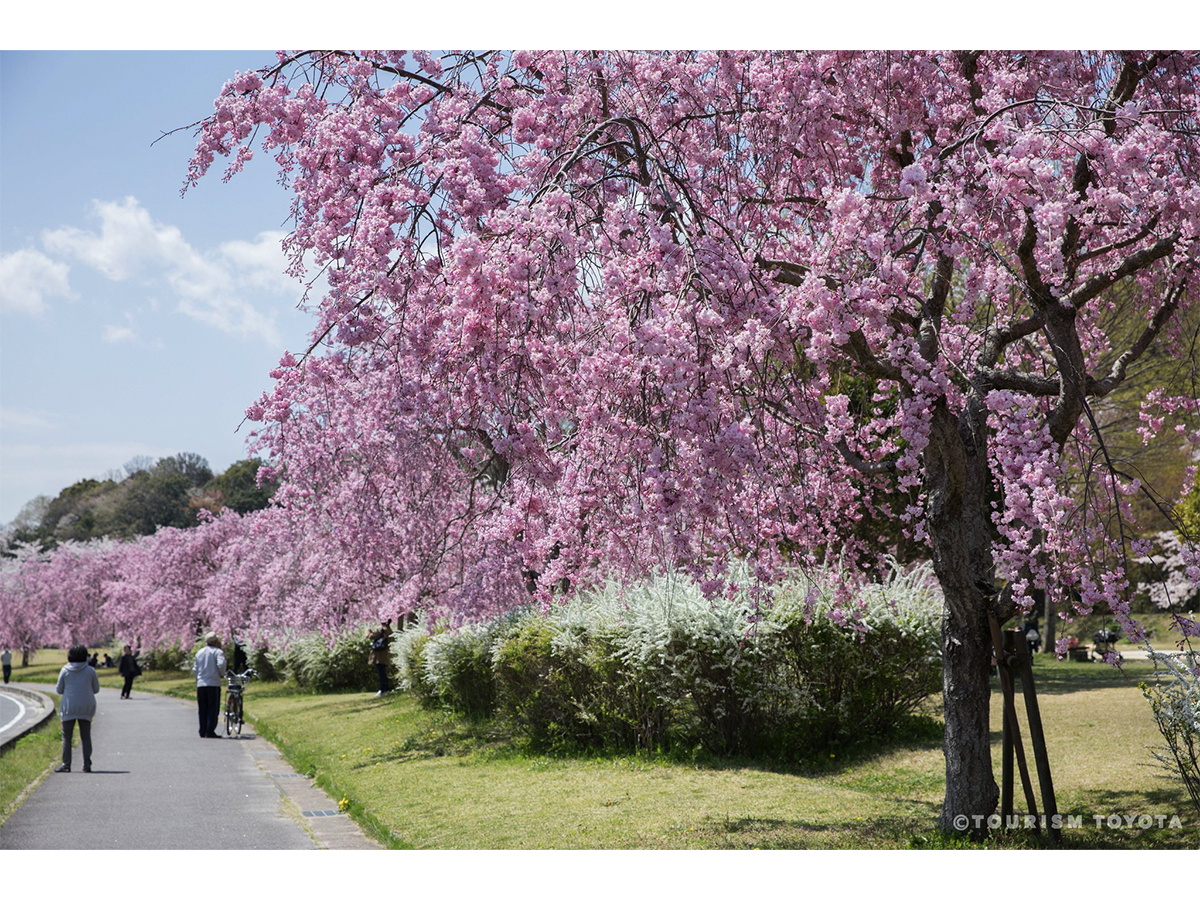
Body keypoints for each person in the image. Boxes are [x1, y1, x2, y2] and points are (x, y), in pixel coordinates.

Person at [55, 645, 100, 773]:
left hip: (69, 706)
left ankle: (66, 765)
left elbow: (59, 690)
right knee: (86, 736)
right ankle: (87, 764)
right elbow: (96, 689)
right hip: (86, 706)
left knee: (67, 737)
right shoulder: (90, 671)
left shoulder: (65, 670)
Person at [193, 633, 227, 738]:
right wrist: (221, 673)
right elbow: (221, 664)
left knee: (202, 708)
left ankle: (202, 730)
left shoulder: (199, 652)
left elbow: (195, 669)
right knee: (213, 709)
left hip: (201, 684)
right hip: (213, 683)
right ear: (215, 642)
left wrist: (197, 680)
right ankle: (210, 731)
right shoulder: (218, 652)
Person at [367, 618, 393, 697]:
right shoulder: (389, 630)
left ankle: (383, 689)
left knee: (381, 673)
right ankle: (386, 689)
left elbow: (371, 636)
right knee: (383, 672)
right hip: (384, 655)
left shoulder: (382, 630)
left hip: (379, 655)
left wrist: (368, 631)